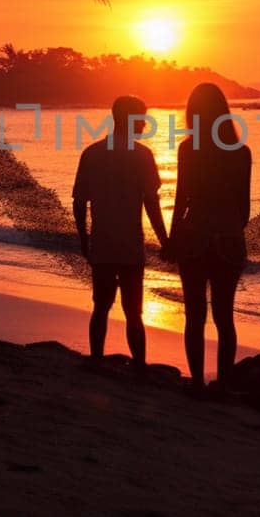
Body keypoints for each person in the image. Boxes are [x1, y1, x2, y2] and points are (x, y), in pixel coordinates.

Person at [72, 95, 168, 365]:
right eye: (142, 118)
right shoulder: (142, 156)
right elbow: (152, 203)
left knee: (101, 306)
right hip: (129, 246)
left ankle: (97, 359)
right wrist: (165, 240)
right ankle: (139, 365)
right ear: (130, 119)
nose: (145, 123)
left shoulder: (92, 153)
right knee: (133, 311)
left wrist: (84, 238)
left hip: (103, 243)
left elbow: (80, 202)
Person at [169, 81, 252, 391]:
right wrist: (230, 228)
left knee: (195, 317)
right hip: (229, 239)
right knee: (224, 317)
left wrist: (171, 239)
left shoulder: (189, 149)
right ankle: (224, 384)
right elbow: (244, 206)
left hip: (194, 237)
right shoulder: (241, 153)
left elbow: (181, 201)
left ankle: (197, 384)